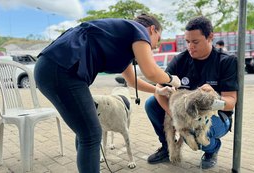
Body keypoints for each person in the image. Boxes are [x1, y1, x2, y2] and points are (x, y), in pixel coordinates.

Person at [34, 14, 181, 173]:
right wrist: (172, 80)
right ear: (152, 29)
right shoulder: (138, 30)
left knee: (85, 132)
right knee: (91, 135)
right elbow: (151, 72)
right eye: (157, 40)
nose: (155, 47)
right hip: (61, 70)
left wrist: (158, 90)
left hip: (52, 68)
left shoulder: (122, 41)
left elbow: (132, 81)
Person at [145, 16, 238, 169]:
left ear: (210, 37)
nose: (190, 47)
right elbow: (159, 89)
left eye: (195, 42)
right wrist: (174, 115)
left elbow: (230, 103)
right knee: (151, 103)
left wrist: (213, 97)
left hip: (217, 116)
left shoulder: (226, 61)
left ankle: (211, 149)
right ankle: (167, 147)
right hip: (183, 112)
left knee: (195, 132)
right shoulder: (180, 60)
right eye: (187, 42)